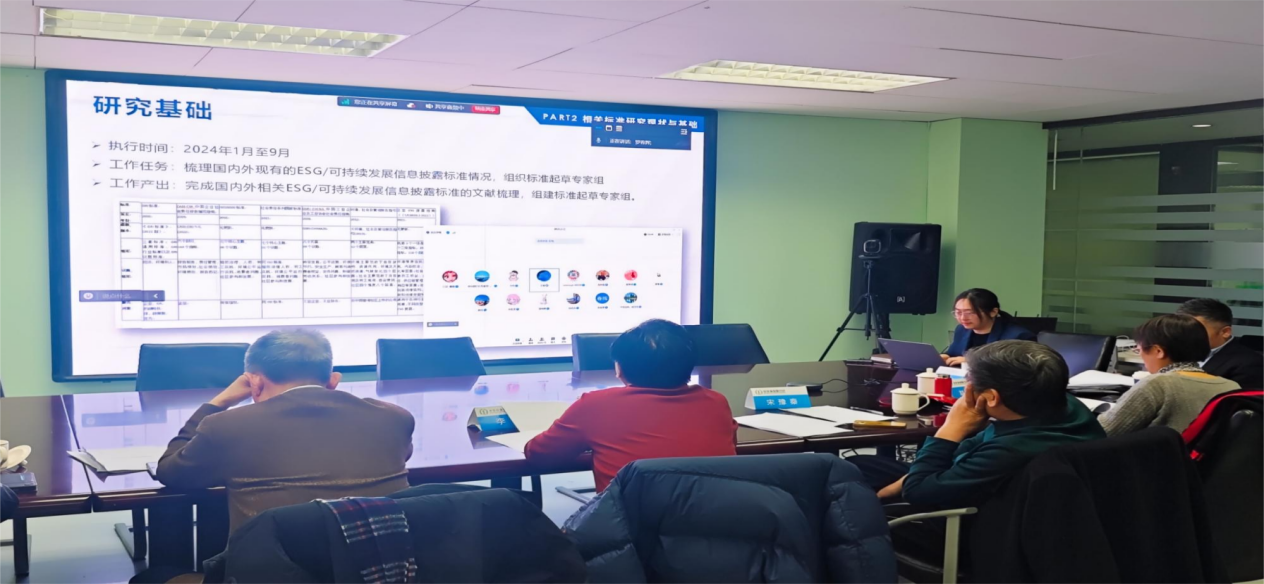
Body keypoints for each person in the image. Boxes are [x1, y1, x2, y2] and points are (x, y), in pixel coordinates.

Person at [156, 329, 415, 533]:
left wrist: (218, 402)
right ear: (333, 380)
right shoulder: (394, 418)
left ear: (254, 382)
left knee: (155, 576)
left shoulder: (228, 426)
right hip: (380, 570)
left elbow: (171, 472)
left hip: (272, 571)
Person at [851, 340, 1105, 510]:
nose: (966, 385)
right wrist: (907, 479)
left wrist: (950, 430)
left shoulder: (1010, 450)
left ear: (991, 397)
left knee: (843, 483)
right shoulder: (1064, 405)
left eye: (969, 378)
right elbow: (966, 454)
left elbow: (918, 493)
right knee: (856, 466)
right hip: (965, 482)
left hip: (961, 522)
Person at [524, 319, 737, 492]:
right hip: (712, 523)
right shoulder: (716, 402)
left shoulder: (596, 405)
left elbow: (541, 456)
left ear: (620, 369)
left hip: (627, 527)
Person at [1098, 314, 1240, 436]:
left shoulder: (1157, 384)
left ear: (1158, 351)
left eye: (1139, 349)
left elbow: (1103, 433)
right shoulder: (1231, 386)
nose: (1140, 355)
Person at [1176, 298, 1264, 389]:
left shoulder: (1250, 364)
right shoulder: (1175, 351)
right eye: (1183, 329)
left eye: (1196, 331)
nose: (1186, 335)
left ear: (1225, 332)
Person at [942, 288, 1036, 366]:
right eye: (958, 312)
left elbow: (1021, 368)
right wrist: (944, 357)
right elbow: (954, 354)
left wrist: (973, 361)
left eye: (970, 313)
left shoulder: (1018, 336)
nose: (963, 318)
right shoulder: (962, 330)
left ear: (993, 312)